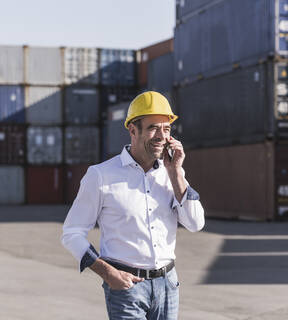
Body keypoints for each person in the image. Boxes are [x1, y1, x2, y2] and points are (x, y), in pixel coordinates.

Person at [61, 91, 205, 320]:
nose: (161, 136)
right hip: (126, 286)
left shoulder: (173, 173)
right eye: (153, 128)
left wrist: (176, 171)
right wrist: (108, 273)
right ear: (132, 130)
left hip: (168, 284)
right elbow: (71, 233)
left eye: (166, 129)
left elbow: (196, 223)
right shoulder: (100, 175)